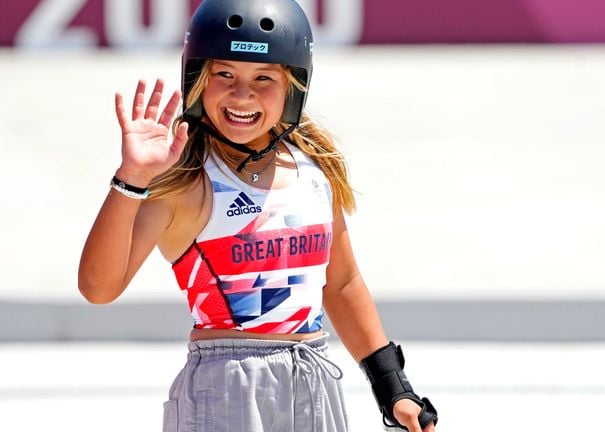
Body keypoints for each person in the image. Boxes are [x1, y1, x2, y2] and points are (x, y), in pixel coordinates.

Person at [78, 0, 438, 431]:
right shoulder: (187, 181)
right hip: (226, 387)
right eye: (224, 74)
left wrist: (393, 388)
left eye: (263, 78)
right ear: (197, 79)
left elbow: (341, 284)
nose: (241, 93)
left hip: (314, 377)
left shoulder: (315, 168)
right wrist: (131, 179)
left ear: (293, 86)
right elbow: (99, 287)